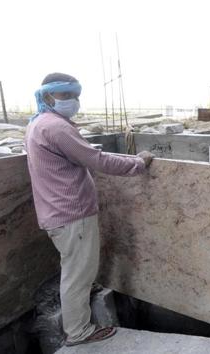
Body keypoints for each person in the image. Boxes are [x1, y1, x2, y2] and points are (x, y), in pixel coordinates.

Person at [24, 73, 155, 346]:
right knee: (76, 275)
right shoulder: (56, 129)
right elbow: (97, 159)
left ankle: (79, 310)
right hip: (72, 216)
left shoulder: (38, 124)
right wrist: (138, 163)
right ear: (48, 96)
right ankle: (79, 331)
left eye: (75, 95)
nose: (73, 101)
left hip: (57, 214)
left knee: (76, 270)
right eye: (66, 96)